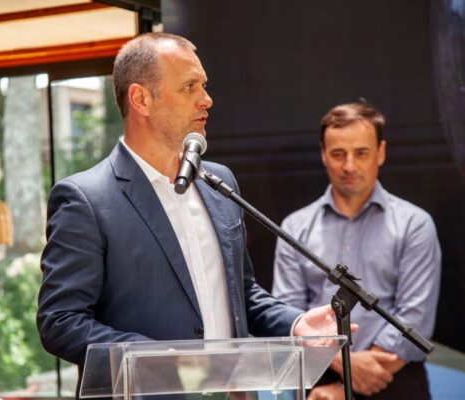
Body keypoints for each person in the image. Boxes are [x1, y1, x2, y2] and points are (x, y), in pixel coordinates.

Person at [37, 32, 344, 395]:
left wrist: (295, 324)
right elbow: (60, 322)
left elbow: (241, 292)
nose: (206, 99)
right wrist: (155, 360)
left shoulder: (220, 183)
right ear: (141, 99)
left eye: (204, 85)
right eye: (189, 87)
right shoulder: (86, 199)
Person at [272, 101, 441, 400]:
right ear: (323, 154)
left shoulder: (415, 224)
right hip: (318, 382)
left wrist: (345, 386)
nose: (349, 166)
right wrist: (342, 366)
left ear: (381, 152)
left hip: (395, 381)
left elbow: (414, 320)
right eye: (338, 154)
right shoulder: (294, 228)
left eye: (361, 153)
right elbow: (289, 315)